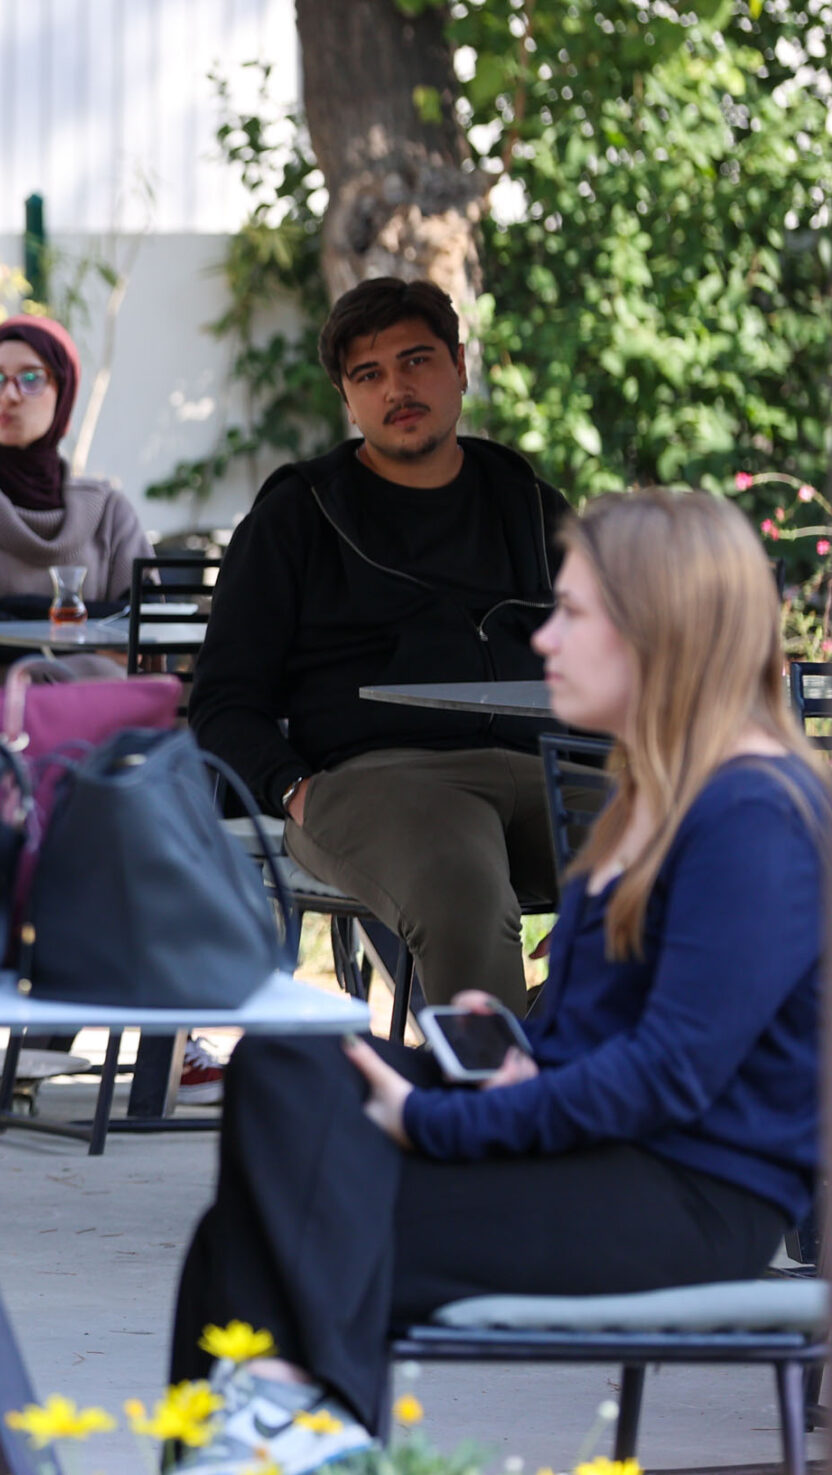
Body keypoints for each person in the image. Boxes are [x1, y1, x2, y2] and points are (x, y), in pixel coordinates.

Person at [167, 486, 828, 1472]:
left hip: (684, 1199)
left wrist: (439, 1122)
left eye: (570, 616)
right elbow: (593, 1045)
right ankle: (292, 1425)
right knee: (285, 1066)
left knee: (253, 1237)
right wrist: (508, 1045)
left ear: (658, 631)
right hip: (602, 1154)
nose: (543, 641)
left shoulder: (752, 813)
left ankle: (297, 1433)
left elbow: (669, 1078)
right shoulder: (647, 802)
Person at [190, 278, 571, 1011]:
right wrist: (294, 789)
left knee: (731, 849)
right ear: (347, 396)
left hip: (548, 767)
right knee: (461, 886)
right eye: (369, 374)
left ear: (460, 365)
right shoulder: (296, 516)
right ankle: (489, 1111)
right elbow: (224, 701)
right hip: (382, 778)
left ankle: (568, 1054)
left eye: (417, 360)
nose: (397, 387)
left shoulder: (529, 503)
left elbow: (606, 665)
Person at [0, 315, 148, 692]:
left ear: (64, 391)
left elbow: (145, 626)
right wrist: (91, 636)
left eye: (32, 378)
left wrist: (17, 610)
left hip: (109, 719)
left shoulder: (108, 509)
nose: (8, 395)